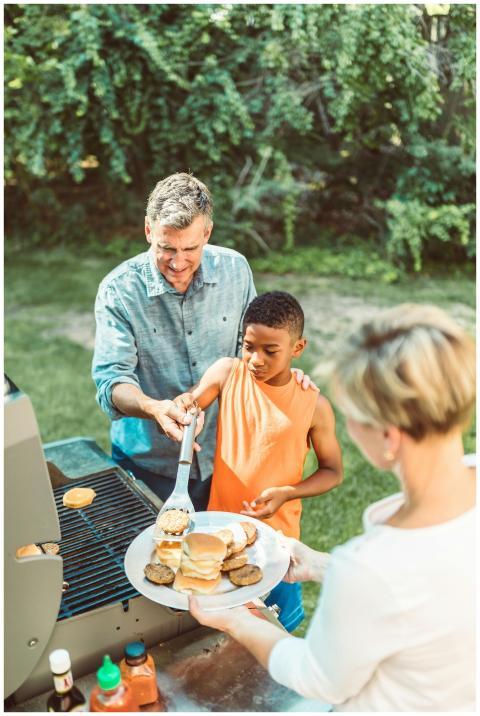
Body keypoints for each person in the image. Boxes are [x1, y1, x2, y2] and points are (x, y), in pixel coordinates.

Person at [189, 303, 475, 711]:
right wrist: (325, 566)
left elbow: (315, 677)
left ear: (387, 437)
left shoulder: (367, 569)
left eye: (354, 415)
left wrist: (234, 618)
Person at [92, 172, 314, 509]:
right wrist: (155, 408)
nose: (177, 262)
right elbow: (112, 381)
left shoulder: (236, 271)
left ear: (207, 233)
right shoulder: (118, 290)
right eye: (166, 248)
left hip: (223, 455)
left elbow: (253, 350)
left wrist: (286, 377)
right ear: (149, 231)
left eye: (190, 248)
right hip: (147, 463)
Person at [176, 291, 343, 631]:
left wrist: (288, 492)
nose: (256, 359)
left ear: (297, 349)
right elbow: (193, 401)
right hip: (218, 532)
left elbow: (333, 471)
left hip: (277, 543)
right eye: (249, 346)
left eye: (271, 351)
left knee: (274, 626)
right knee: (217, 628)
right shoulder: (227, 373)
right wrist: (187, 411)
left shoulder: (314, 406)